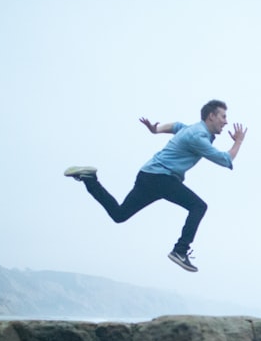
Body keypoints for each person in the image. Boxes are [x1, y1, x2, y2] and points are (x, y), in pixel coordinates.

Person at [64, 99, 246, 272]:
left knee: (119, 215)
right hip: (162, 178)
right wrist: (238, 142)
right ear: (211, 116)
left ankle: (89, 179)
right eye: (223, 116)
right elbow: (225, 159)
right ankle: (180, 251)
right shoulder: (198, 136)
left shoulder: (191, 130)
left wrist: (156, 129)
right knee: (198, 206)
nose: (226, 121)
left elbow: (176, 126)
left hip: (148, 175)